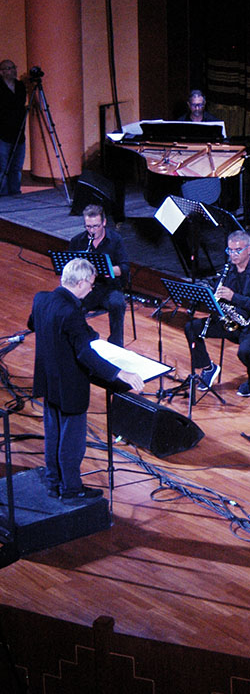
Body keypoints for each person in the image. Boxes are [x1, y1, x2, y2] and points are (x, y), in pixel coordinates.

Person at [28, 258, 144, 499]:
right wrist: (119, 373)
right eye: (91, 284)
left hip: (48, 382)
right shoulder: (71, 312)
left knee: (53, 434)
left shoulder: (41, 298)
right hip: (69, 386)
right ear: (80, 283)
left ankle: (54, 482)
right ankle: (71, 489)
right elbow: (84, 353)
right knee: (72, 442)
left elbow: (34, 323)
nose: (92, 288)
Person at [183, 230, 250, 397]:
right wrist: (212, 298)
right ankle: (208, 368)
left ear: (249, 249)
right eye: (230, 250)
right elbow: (220, 295)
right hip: (232, 321)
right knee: (191, 328)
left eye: (237, 250)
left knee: (245, 351)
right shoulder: (228, 269)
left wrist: (234, 297)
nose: (233, 255)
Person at [68, 205, 128, 347]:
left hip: (109, 288)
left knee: (117, 304)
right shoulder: (77, 241)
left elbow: (124, 268)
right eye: (88, 227)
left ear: (104, 222)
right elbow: (69, 269)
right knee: (70, 305)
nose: (92, 230)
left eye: (96, 226)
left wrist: (107, 269)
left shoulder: (115, 240)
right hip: (86, 289)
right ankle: (79, 342)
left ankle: (116, 345)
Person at [0, 59, 28, 197]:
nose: (12, 70)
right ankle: (3, 195)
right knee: (3, 167)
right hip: (3, 134)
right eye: (8, 68)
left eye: (13, 67)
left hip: (19, 133)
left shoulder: (20, 86)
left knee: (17, 167)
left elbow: (21, 104)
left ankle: (15, 193)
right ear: (2, 71)